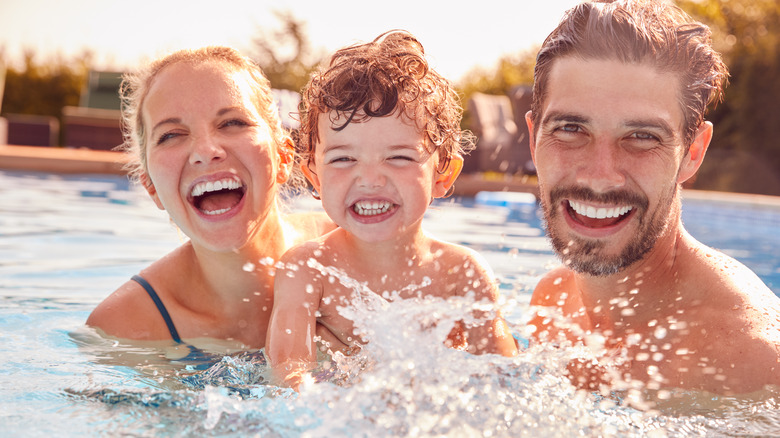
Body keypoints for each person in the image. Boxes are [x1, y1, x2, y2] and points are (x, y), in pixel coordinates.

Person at [524, 0, 780, 396]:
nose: (600, 175)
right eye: (571, 128)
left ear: (692, 153)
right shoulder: (553, 302)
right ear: (533, 138)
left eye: (642, 136)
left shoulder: (750, 358)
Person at [265, 31, 518, 389]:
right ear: (314, 177)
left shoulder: (461, 274)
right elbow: (287, 377)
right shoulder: (307, 270)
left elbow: (504, 380)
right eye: (344, 158)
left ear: (443, 174)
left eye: (398, 157)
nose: (370, 179)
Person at [86, 47, 334, 355]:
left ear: (283, 157)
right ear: (150, 186)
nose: (205, 150)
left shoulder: (359, 247)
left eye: (232, 123)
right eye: (171, 135)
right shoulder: (125, 328)